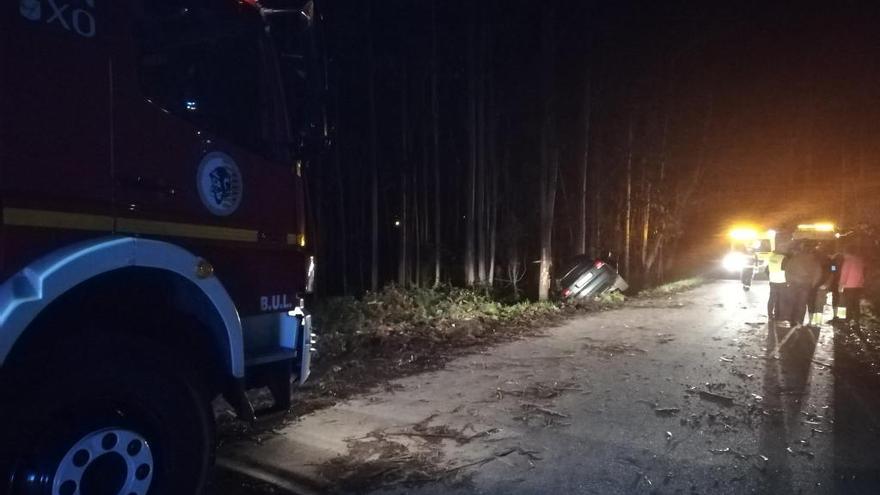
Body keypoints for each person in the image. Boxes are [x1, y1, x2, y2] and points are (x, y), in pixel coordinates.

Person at [782, 242, 823, 328]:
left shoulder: (794, 258)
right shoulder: (813, 260)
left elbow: (787, 271)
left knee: (793, 302)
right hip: (806, 284)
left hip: (794, 284)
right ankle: (799, 322)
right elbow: (818, 272)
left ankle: (792, 321)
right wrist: (813, 283)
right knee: (802, 304)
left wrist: (788, 281)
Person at [838, 245, 866, 329]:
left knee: (848, 304)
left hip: (849, 286)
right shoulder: (860, 260)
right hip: (858, 286)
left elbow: (844, 274)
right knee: (856, 304)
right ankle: (856, 321)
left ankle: (847, 320)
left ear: (846, 253)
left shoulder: (848, 261)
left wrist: (841, 285)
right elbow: (863, 273)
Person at [767, 248, 787, 320]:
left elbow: (766, 270)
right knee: (781, 299)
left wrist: (770, 277)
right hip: (782, 281)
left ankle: (770, 315)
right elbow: (787, 269)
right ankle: (778, 315)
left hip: (772, 281)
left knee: (772, 298)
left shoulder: (771, 258)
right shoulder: (784, 258)